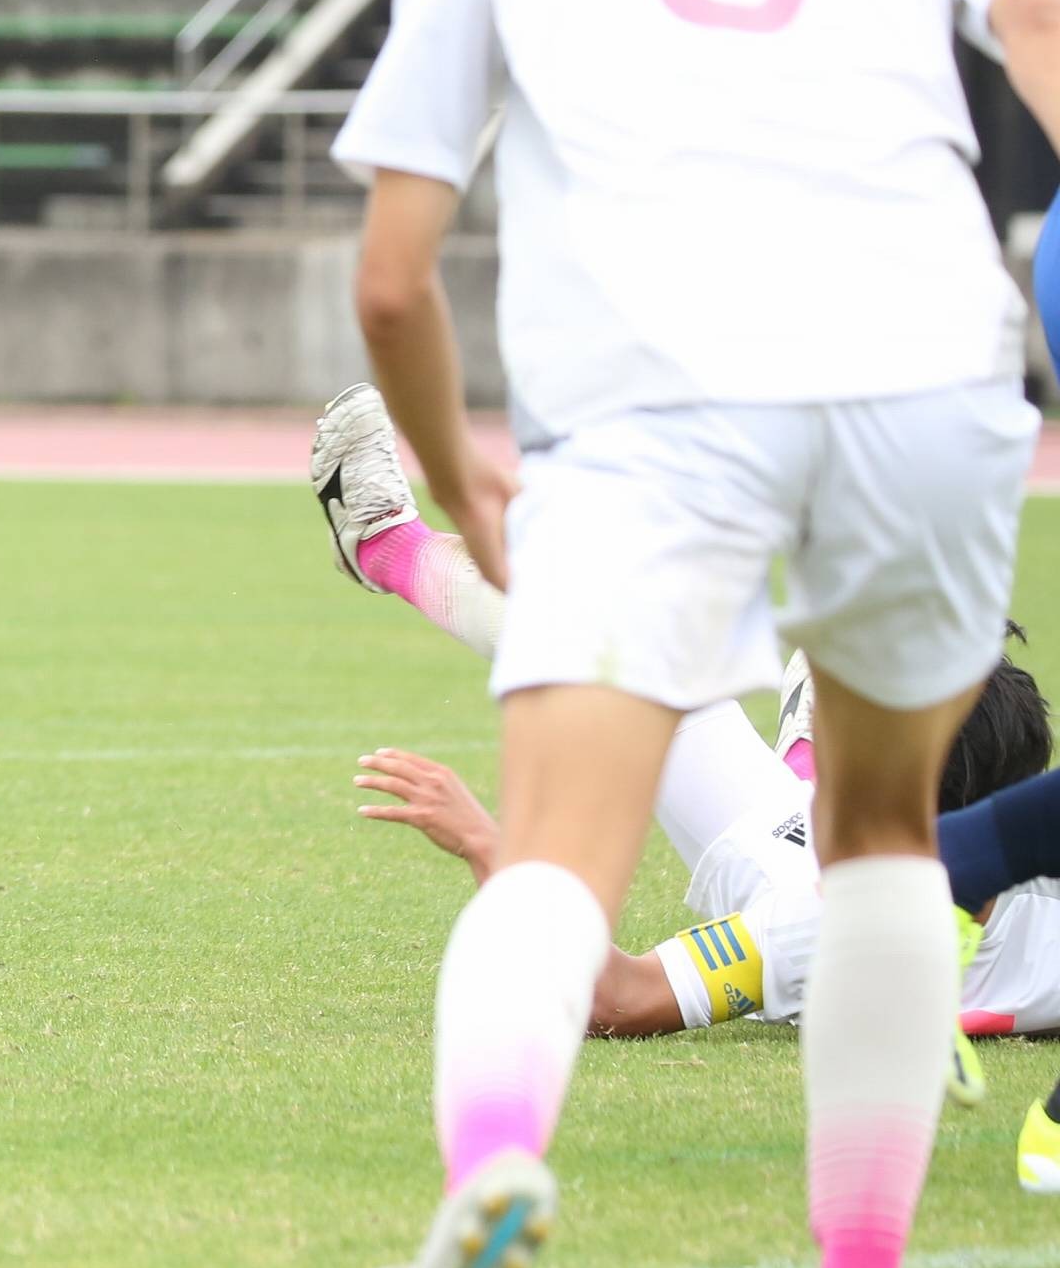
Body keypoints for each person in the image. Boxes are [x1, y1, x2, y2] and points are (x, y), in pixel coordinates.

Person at [334, 0, 1060, 1268]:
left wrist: (456, 477)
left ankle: (495, 1159)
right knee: (890, 837)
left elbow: (393, 270)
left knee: (565, 844)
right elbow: (1044, 35)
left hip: (654, 396)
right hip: (926, 366)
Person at [320, 388, 1060, 1058]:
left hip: (788, 859)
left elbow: (617, 995)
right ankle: (810, 738)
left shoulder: (813, 924)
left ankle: (384, 542)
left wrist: (484, 840)